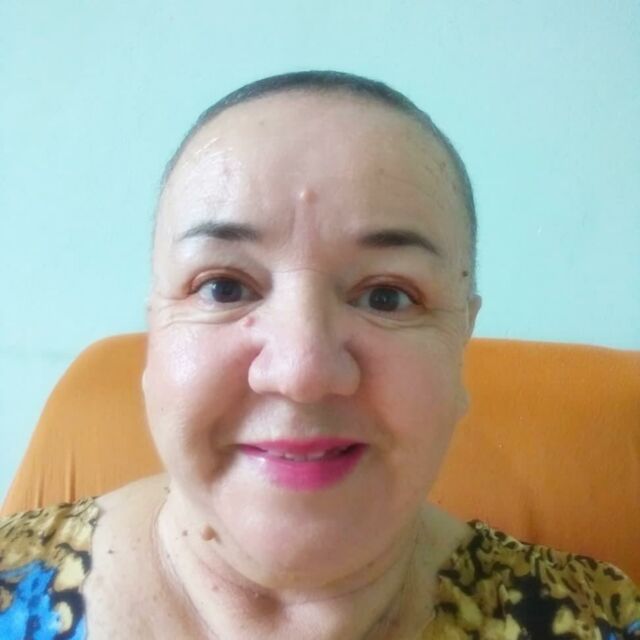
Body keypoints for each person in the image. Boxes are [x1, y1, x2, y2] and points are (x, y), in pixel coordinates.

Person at [1, 71, 638, 640]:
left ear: (460, 341)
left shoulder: (595, 621)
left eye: (388, 296)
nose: (302, 373)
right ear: (155, 333)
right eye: (223, 288)